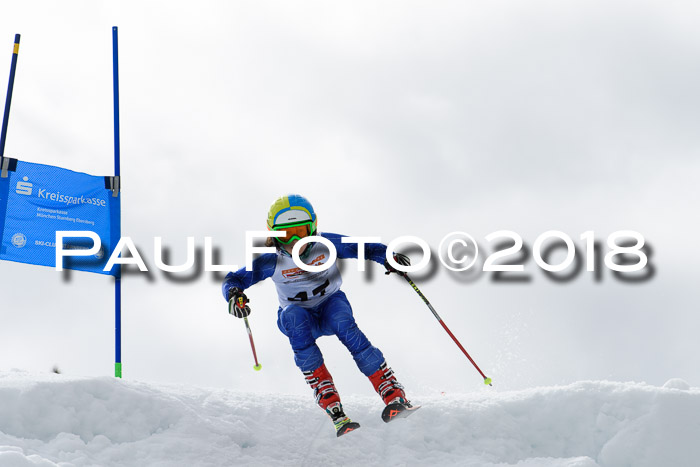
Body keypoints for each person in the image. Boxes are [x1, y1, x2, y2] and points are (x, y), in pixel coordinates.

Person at [222, 194, 412, 437]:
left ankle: (392, 392)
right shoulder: (272, 260)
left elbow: (366, 248)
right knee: (293, 316)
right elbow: (234, 279)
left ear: (312, 228)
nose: (293, 242)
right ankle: (327, 394)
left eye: (299, 232)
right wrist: (234, 294)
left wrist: (389, 258)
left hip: (330, 305)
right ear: (273, 234)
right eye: (284, 235)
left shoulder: (326, 244)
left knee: (342, 321)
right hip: (300, 318)